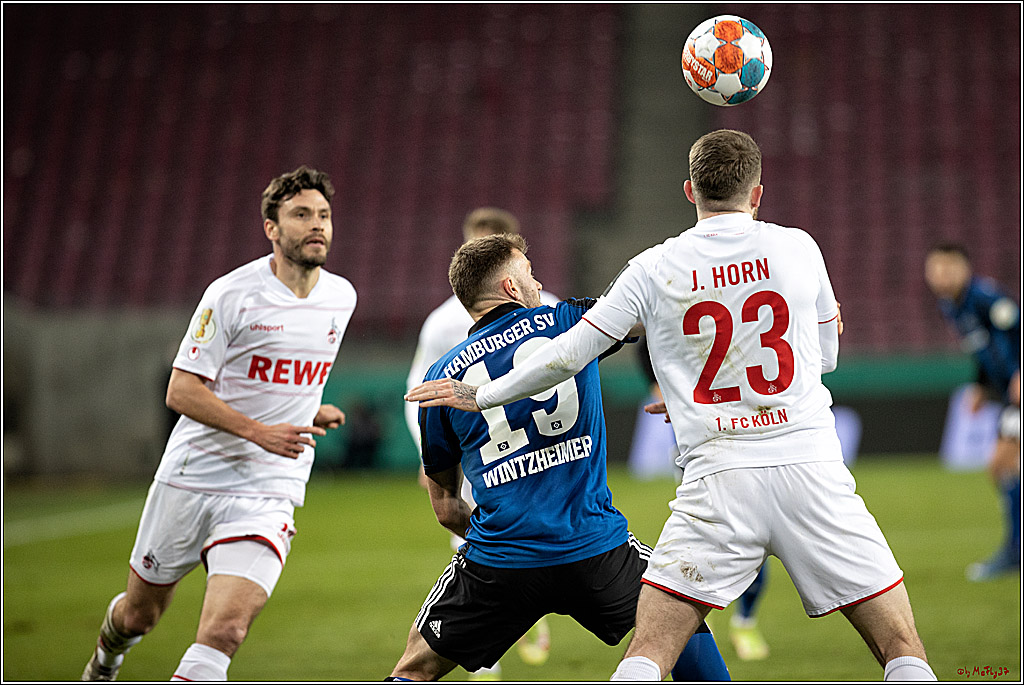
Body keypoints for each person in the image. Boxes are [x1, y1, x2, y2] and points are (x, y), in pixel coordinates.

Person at [408, 130, 936, 681]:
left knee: (650, 653)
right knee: (901, 646)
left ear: (689, 191)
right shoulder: (800, 247)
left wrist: (483, 393)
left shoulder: (652, 268)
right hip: (812, 472)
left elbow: (566, 354)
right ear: (757, 193)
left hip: (719, 481)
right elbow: (824, 358)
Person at [393, 234, 730, 681]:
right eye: (530, 273)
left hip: (501, 561)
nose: (538, 282)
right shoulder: (567, 321)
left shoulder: (443, 379)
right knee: (678, 623)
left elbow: (446, 509)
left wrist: (510, 540)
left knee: (416, 666)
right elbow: (647, 318)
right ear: (511, 287)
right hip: (596, 548)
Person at [81, 166, 356, 681]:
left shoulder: (342, 297)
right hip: (194, 476)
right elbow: (181, 390)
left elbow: (283, 377)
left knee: (225, 631)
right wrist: (259, 430)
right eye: (301, 215)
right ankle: (106, 659)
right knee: (139, 616)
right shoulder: (232, 294)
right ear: (271, 228)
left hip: (269, 486)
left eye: (323, 214)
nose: (317, 224)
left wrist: (305, 410)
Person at [404, 208, 560, 679]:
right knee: (473, 541)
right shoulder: (442, 324)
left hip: (541, 450)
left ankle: (528, 603)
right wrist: (431, 458)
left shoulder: (547, 306)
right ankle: (485, 658)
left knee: (544, 533)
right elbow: (420, 391)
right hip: (477, 454)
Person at [629, 337, 770, 661]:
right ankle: (697, 615)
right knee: (704, 531)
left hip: (744, 432)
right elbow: (645, 346)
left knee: (757, 535)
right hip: (697, 441)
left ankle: (745, 621)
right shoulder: (669, 326)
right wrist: (662, 389)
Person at [925, 243, 1021, 581]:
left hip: (1017, 393)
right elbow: (984, 349)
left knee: (1001, 464)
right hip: (1008, 395)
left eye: (948, 267)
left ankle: (1015, 551)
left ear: (965, 269)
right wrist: (981, 385)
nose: (941, 275)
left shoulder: (985, 298)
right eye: (935, 268)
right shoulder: (951, 305)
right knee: (1003, 466)